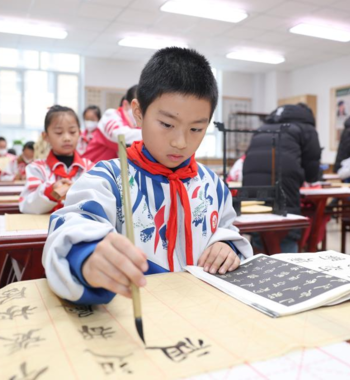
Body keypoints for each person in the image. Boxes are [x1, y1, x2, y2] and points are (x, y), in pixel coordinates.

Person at [42, 47, 252, 304]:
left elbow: (226, 228)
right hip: (140, 322)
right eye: (167, 124)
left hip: (203, 315)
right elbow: (71, 226)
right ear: (138, 113)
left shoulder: (213, 186)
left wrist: (226, 246)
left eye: (196, 128)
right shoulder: (107, 179)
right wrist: (87, 256)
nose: (180, 142)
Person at [242, 103, 321, 253]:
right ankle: (286, 269)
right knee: (284, 229)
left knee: (260, 227)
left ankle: (257, 266)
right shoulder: (306, 128)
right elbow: (312, 171)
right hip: (283, 186)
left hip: (251, 188)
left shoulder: (262, 128)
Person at [19, 106, 93, 214]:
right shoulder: (37, 168)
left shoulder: (90, 167)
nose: (67, 138)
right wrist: (51, 191)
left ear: (80, 133)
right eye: (59, 132)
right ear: (46, 136)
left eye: (72, 132)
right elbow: (26, 206)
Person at [82, 85, 142, 163]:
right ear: (126, 105)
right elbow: (119, 135)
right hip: (88, 168)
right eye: (139, 108)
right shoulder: (111, 115)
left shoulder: (136, 126)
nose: (141, 112)